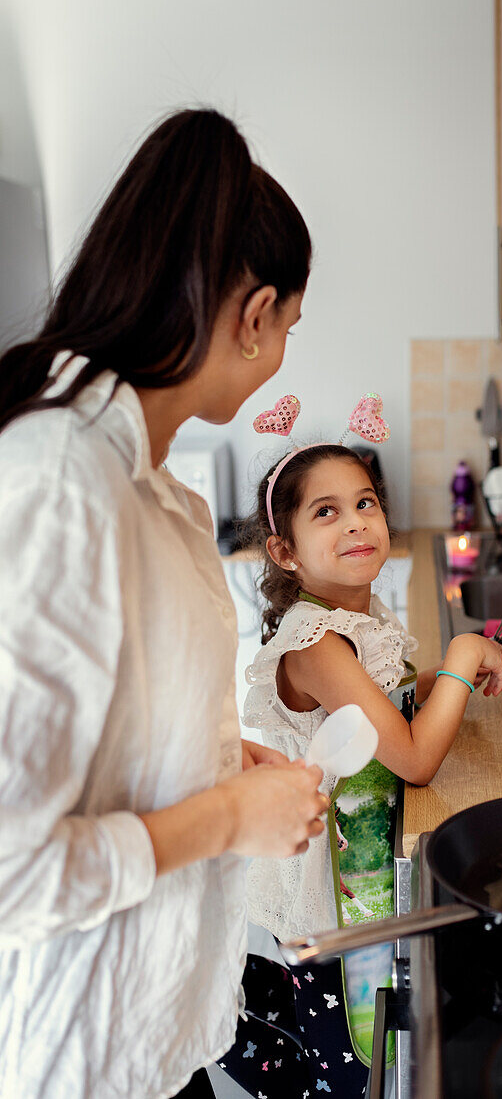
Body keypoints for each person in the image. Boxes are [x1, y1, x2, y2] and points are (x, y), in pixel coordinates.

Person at [0, 108, 331, 1099]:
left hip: (151, 1036)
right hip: (77, 1061)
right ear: (254, 312)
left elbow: (99, 738)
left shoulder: (152, 488)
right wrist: (230, 812)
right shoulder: (58, 485)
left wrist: (213, 760)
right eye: (289, 330)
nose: (280, 355)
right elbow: (12, 868)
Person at [219, 440, 502, 1098]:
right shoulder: (315, 642)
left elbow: (384, 706)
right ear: (284, 552)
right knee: (358, 1062)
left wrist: (441, 678)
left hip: (366, 877)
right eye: (326, 511)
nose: (354, 522)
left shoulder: (357, 615)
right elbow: (411, 759)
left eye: (364, 503)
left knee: (365, 1038)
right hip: (334, 895)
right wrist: (461, 655)